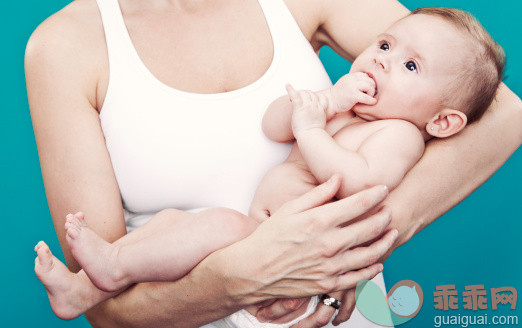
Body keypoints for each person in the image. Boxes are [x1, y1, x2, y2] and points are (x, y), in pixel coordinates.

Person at [25, 0, 522, 327]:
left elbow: (500, 114)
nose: (383, 61)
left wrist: (355, 246)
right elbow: (273, 125)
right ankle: (97, 277)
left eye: (408, 65)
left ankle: (107, 269)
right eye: (384, 46)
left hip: (309, 290)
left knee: (216, 226)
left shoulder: (396, 132)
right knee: (182, 227)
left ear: (442, 121)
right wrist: (318, 104)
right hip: (217, 271)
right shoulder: (64, 44)